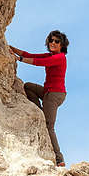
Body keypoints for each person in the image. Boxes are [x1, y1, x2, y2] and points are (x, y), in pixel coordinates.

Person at [11, 30, 69, 167]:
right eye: (51, 40)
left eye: (57, 41)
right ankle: (41, 112)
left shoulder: (60, 57)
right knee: (28, 86)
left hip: (55, 95)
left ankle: (59, 158)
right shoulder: (50, 54)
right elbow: (30, 55)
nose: (53, 43)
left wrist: (18, 59)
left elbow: (38, 62)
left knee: (49, 127)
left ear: (62, 45)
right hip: (47, 92)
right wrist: (11, 48)